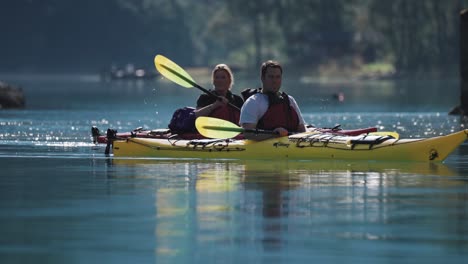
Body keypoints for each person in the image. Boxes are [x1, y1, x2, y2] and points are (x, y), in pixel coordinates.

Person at [239, 60, 306, 140]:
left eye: (278, 77)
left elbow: (302, 131)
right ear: (262, 78)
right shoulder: (253, 102)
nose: (275, 81)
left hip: (291, 146)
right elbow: (248, 134)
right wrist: (274, 135)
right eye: (271, 77)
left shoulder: (290, 100)